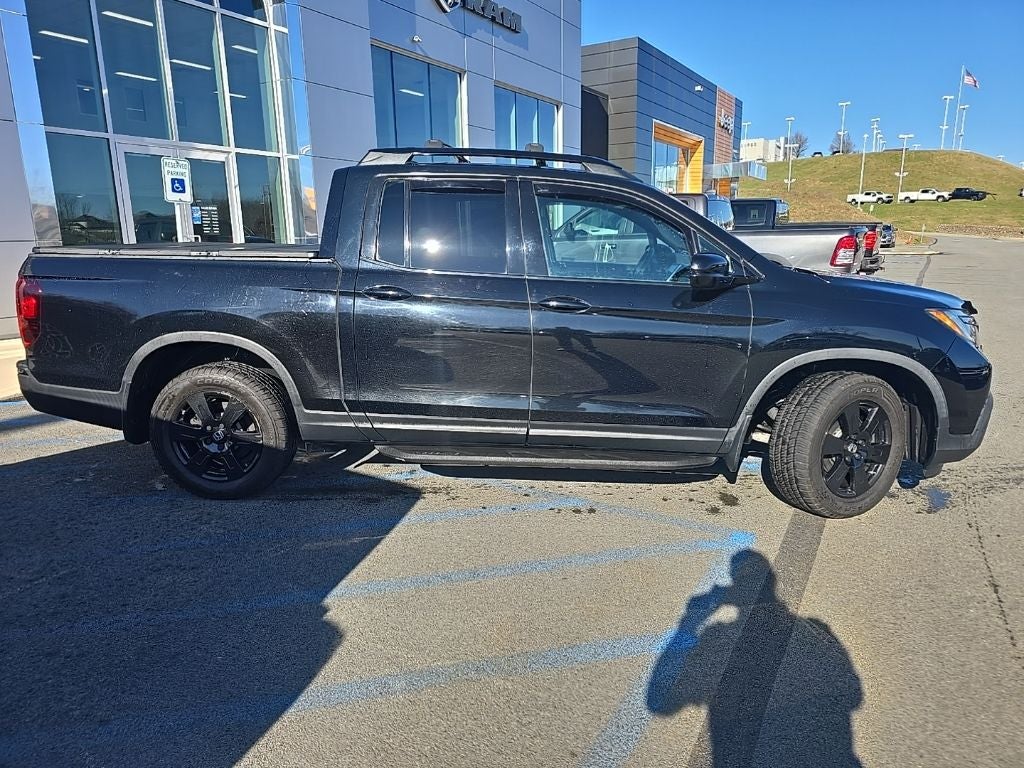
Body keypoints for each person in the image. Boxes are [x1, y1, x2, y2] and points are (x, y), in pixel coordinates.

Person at [647, 550, 864, 768]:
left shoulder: (717, 637)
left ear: (735, 590)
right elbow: (854, 695)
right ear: (772, 581)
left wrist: (690, 622)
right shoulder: (816, 629)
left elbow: (661, 703)